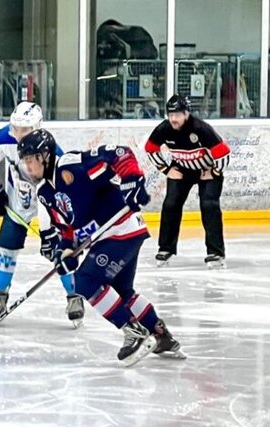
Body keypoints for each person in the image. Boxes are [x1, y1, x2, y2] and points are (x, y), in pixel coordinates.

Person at [18, 129, 185, 366]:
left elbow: (119, 154)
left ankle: (134, 332)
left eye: (30, 160)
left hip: (122, 230)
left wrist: (132, 180)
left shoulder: (70, 165)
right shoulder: (45, 191)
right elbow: (67, 228)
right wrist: (65, 251)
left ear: (45, 156)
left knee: (85, 281)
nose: (27, 167)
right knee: (123, 291)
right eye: (24, 161)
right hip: (113, 237)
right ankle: (161, 334)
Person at [0, 102, 84, 326]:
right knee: (7, 247)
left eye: (24, 129)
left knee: (59, 250)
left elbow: (51, 193)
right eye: (15, 127)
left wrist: (48, 233)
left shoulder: (52, 151)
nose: (18, 133)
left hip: (48, 203)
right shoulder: (2, 138)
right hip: (19, 201)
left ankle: (74, 296)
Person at [145, 94, 230, 268]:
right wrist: (167, 170)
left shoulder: (201, 128)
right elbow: (150, 148)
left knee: (209, 205)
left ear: (186, 114)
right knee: (170, 204)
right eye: (170, 115)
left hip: (207, 170)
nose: (173, 119)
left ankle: (216, 252)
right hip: (181, 170)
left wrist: (214, 172)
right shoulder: (164, 129)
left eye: (177, 115)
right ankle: (165, 248)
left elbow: (223, 153)